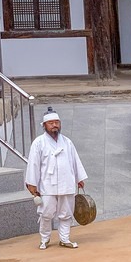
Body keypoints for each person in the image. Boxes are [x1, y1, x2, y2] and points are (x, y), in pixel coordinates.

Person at [25, 107, 88, 249]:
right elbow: (33, 164)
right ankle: (44, 239)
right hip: (47, 184)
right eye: (51, 123)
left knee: (66, 213)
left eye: (56, 123)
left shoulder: (67, 142)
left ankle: (65, 239)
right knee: (46, 213)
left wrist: (79, 178)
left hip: (66, 182)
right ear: (45, 125)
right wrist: (32, 184)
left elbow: (75, 161)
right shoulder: (39, 143)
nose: (54, 125)